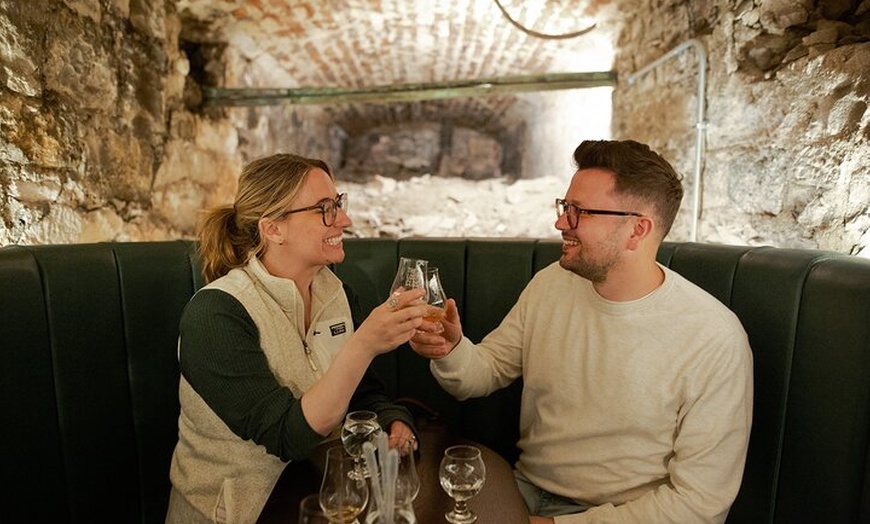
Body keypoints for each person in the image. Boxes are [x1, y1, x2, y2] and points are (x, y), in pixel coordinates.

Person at [410, 139, 754, 523]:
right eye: (565, 207)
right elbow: (484, 372)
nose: (561, 223)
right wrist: (450, 348)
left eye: (580, 213)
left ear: (637, 230)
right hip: (523, 492)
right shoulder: (552, 283)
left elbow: (699, 504)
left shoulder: (714, 337)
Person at [165, 153, 429, 524]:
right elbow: (288, 437)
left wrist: (392, 420)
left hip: (324, 499)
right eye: (324, 209)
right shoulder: (215, 315)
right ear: (273, 229)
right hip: (235, 515)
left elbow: (362, 393)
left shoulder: (337, 294)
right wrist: (364, 344)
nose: (345, 220)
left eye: (338, 203)